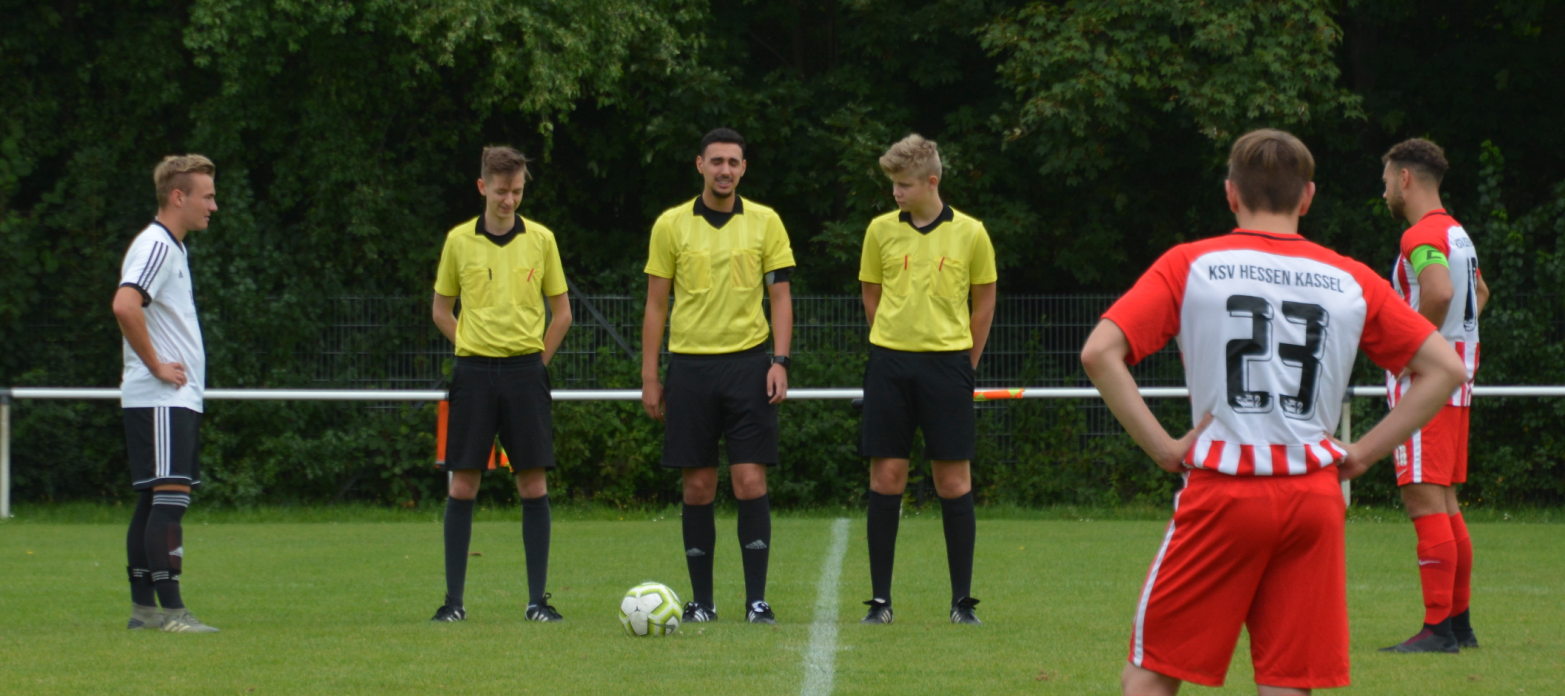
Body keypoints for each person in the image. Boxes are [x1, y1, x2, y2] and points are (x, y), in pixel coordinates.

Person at [1080, 129, 1467, 695]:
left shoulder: (1192, 264)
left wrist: (1164, 448)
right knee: (1288, 681)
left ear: (1231, 193)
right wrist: (1362, 453)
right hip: (1313, 497)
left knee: (1153, 672)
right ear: (1307, 197)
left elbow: (1099, 353)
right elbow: (1446, 369)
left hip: (1225, 489)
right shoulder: (1350, 278)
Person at [641, 127, 795, 625]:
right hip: (690, 369)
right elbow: (656, 304)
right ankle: (702, 602)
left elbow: (780, 297)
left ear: (743, 168)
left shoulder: (767, 222)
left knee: (750, 480)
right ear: (700, 165)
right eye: (716, 161)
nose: (724, 170)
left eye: (733, 162)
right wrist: (650, 376)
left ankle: (756, 601)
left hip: (749, 366)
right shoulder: (670, 225)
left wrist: (780, 361)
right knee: (698, 487)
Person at [857, 134, 997, 626]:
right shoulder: (879, 231)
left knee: (952, 481)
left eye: (904, 184)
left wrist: (965, 363)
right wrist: (890, 341)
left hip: (948, 367)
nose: (896, 192)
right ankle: (880, 602)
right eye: (893, 184)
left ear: (931, 182)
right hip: (889, 365)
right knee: (886, 477)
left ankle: (962, 603)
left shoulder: (972, 233)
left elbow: (983, 303)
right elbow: (871, 293)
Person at [429, 146, 572, 623]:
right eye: (500, 191)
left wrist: (536, 364)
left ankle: (537, 602)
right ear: (482, 187)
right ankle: (453, 604)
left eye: (516, 191)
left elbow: (562, 314)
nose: (509, 200)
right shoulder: (458, 241)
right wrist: (471, 344)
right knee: (463, 482)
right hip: (472, 373)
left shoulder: (542, 240)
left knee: (532, 482)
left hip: (525, 373)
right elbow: (441, 310)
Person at [1379, 138, 1490, 653]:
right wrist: (1452, 344)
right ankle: (1459, 627)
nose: (1384, 191)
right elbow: (1479, 294)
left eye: (1386, 180)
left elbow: (1440, 292)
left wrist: (1412, 352)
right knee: (1444, 501)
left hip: (1427, 387)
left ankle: (1436, 630)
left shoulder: (1420, 235)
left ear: (1405, 179)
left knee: (1423, 498)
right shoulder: (1457, 233)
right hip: (1456, 383)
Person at [113, 154, 221, 633]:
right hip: (162, 397)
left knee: (153, 500)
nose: (213, 206)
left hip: (168, 398)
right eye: (207, 196)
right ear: (178, 197)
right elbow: (125, 304)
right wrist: (157, 364)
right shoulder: (156, 244)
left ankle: (145, 611)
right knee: (171, 498)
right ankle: (173, 612)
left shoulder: (171, 247)